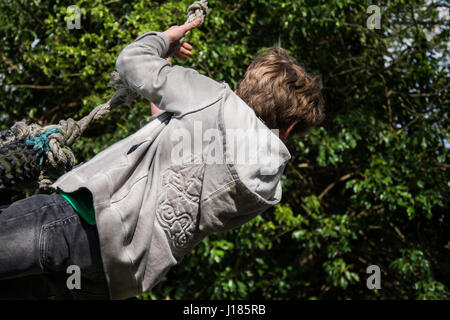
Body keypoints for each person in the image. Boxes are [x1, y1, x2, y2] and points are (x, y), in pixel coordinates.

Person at [0, 18, 325, 299]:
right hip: (115, 279)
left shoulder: (215, 99)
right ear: (292, 126)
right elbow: (179, 175)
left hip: (82, 223)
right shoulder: (267, 189)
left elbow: (131, 61)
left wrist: (164, 40)